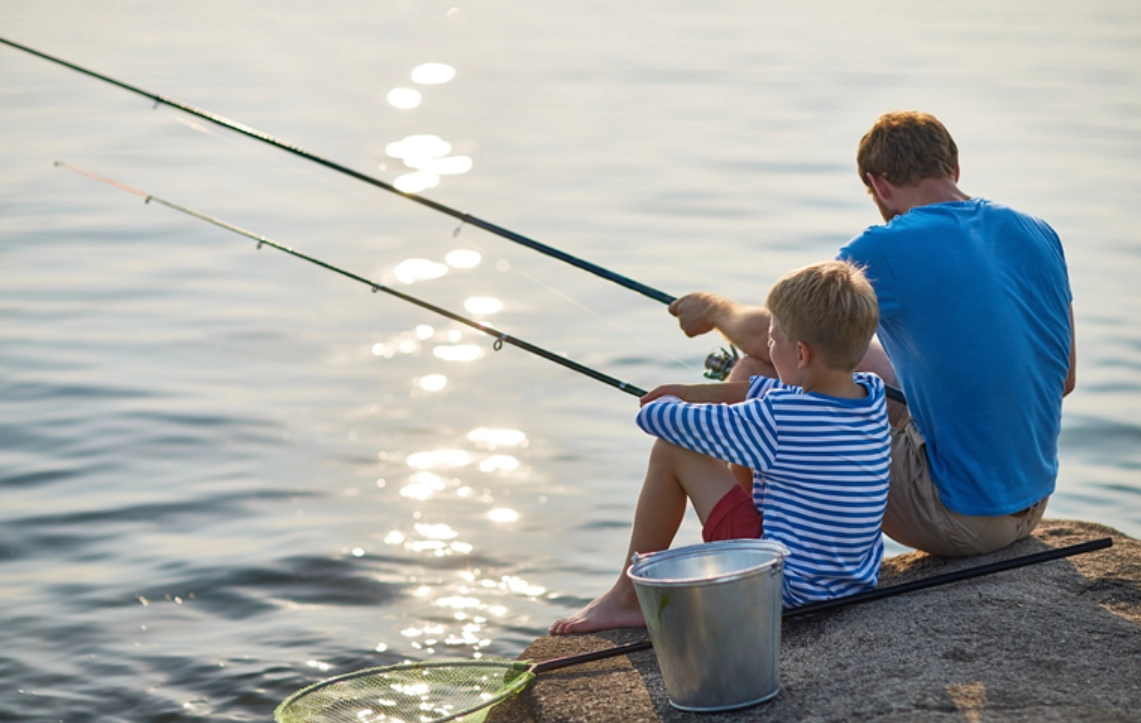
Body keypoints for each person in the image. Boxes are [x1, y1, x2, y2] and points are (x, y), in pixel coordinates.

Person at [668, 111, 1076, 558]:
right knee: (811, 361)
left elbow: (776, 334)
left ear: (878, 186)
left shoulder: (883, 246)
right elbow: (1065, 380)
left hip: (958, 516)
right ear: (954, 169)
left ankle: (759, 556)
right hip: (1032, 502)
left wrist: (714, 309)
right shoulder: (1039, 233)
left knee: (756, 370)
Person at [550, 260, 890, 635]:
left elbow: (657, 420)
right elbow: (769, 390)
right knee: (745, 442)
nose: (768, 346)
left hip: (782, 594)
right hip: (849, 583)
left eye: (772, 339)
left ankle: (627, 597)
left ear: (800, 354)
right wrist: (693, 392)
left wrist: (670, 402)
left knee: (671, 450)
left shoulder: (777, 420)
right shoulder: (870, 393)